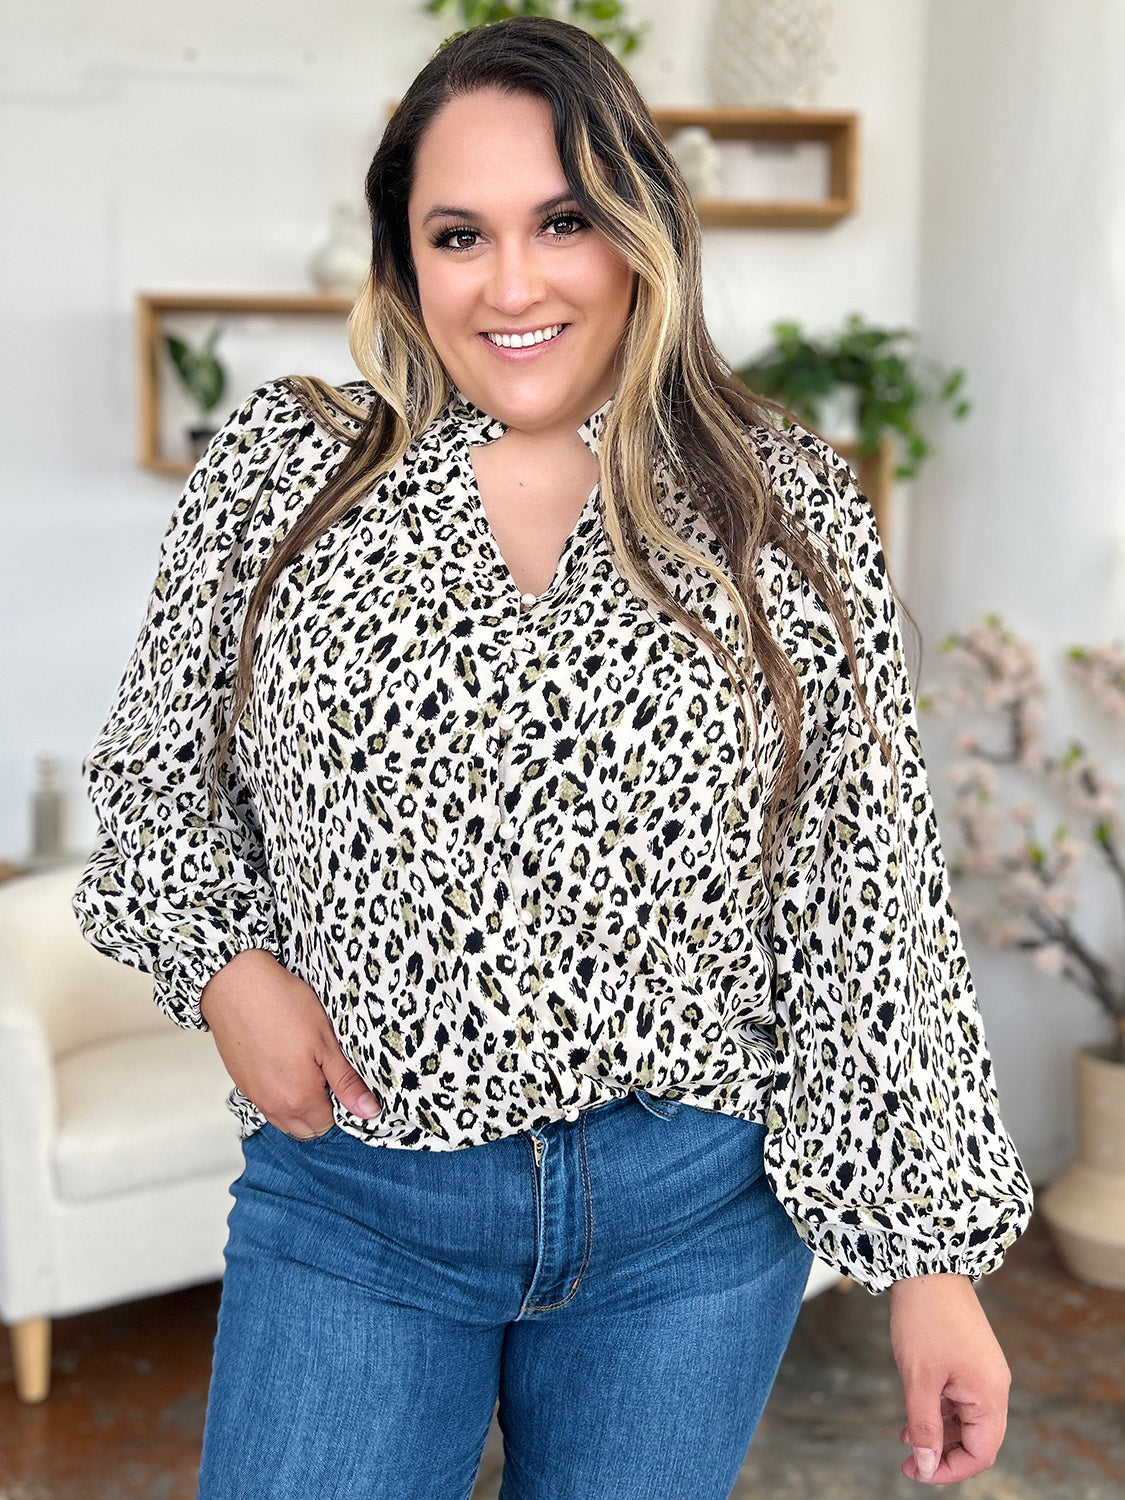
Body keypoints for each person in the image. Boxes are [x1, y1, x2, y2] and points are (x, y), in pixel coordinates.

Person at [72, 16, 1034, 1500]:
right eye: (459, 234)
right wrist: (226, 969)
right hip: (358, 1201)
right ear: (404, 259)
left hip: (689, 1220)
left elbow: (867, 889)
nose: (512, 284)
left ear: (641, 230)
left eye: (563, 221)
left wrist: (930, 1268)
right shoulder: (287, 468)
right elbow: (152, 779)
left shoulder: (777, 503)